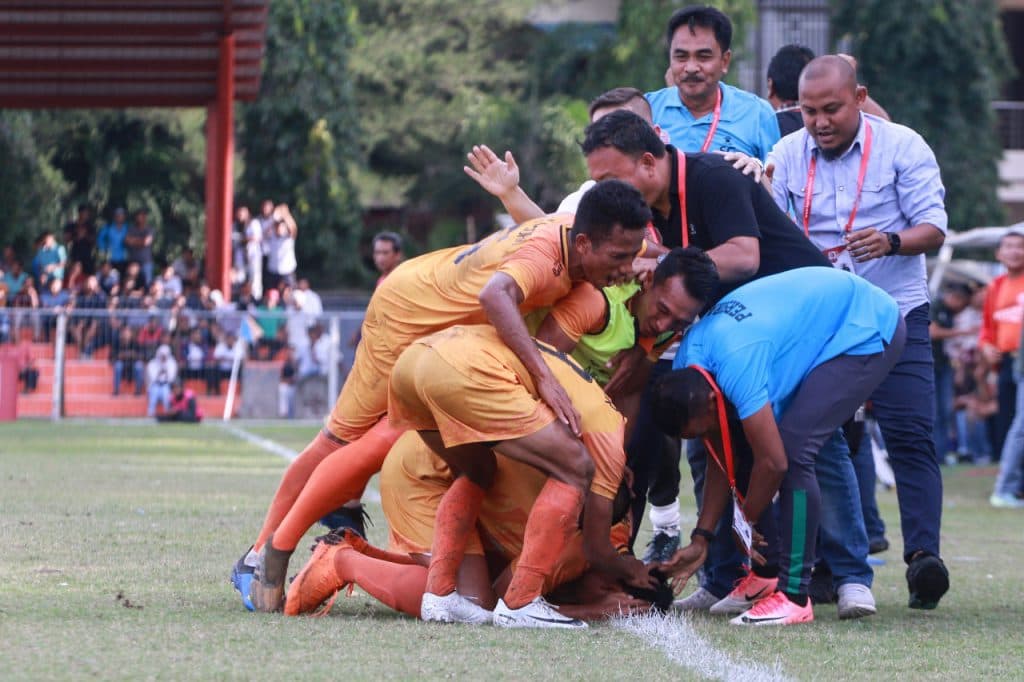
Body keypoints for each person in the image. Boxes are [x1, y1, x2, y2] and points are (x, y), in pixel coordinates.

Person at [239, 180, 653, 612]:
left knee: (467, 473)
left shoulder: (586, 245)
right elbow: (497, 295)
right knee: (352, 440)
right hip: (411, 319)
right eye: (621, 258)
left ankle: (377, 562)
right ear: (585, 239)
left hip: (450, 346)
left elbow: (650, 252)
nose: (628, 268)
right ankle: (268, 551)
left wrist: (655, 267)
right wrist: (544, 378)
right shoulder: (558, 265)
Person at [581, 109, 835, 576]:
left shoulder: (714, 176)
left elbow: (743, 257)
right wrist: (643, 347)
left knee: (806, 450)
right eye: (598, 184)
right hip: (747, 335)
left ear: (648, 163)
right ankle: (735, 576)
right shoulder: (651, 210)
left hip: (811, 326)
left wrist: (665, 263)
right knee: (715, 443)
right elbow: (683, 288)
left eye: (611, 179)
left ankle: (844, 577)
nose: (606, 194)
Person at [767, 55, 950, 609]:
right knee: (823, 440)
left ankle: (923, 557)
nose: (819, 122)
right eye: (809, 111)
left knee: (910, 432)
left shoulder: (903, 146)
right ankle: (828, 566)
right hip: (821, 320)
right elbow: (770, 228)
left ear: (861, 97)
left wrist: (891, 241)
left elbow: (934, 229)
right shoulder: (785, 154)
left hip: (895, 312)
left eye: (832, 109)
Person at [652, 267, 905, 626]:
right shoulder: (687, 367)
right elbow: (719, 457)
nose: (704, 435)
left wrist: (744, 522)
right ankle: (766, 575)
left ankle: (794, 596)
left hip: (865, 323)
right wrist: (702, 538)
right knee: (745, 445)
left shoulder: (737, 366)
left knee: (795, 449)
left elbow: (774, 463)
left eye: (702, 428)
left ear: (709, 400)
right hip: (819, 323)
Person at [384, 324, 657, 627]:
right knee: (575, 468)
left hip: (416, 359)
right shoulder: (607, 446)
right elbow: (595, 547)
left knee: (478, 471)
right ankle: (522, 602)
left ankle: (440, 592)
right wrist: (630, 572)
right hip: (452, 391)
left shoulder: (595, 432)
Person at [284, 432, 655, 623]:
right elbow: (504, 607)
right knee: (470, 605)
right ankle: (342, 562)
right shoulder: (583, 548)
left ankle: (363, 553)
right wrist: (591, 611)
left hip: (445, 456)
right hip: (431, 474)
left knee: (479, 575)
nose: (607, 594)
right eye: (615, 592)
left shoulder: (609, 508)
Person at [646, 5, 779, 161]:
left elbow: (773, 175)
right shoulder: (648, 109)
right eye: (681, 56)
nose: (691, 68)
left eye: (703, 56)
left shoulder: (758, 114)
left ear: (725, 61)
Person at [979, 231, 1024, 463]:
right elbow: (987, 327)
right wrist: (986, 346)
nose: (1014, 251)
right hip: (1006, 361)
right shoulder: (995, 286)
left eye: (1020, 246)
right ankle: (1009, 472)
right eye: (1009, 246)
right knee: (1007, 416)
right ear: (999, 253)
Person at [930, 282, 974, 463]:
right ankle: (934, 453)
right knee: (934, 411)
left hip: (944, 364)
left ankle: (941, 453)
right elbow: (932, 332)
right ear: (957, 298)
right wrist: (962, 332)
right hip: (931, 364)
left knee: (946, 410)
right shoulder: (935, 305)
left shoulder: (949, 312)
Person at [264, 204, 298, 291]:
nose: (279, 228)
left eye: (281, 226)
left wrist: (286, 214)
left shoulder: (288, 238)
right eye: (277, 226)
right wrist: (274, 218)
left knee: (289, 294)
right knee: (272, 294)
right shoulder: (271, 237)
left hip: (287, 271)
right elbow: (265, 231)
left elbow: (293, 228)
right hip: (273, 271)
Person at [125, 209, 155, 288]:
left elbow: (147, 242)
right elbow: (127, 241)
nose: (140, 218)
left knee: (147, 282)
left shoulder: (149, 229)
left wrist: (134, 241)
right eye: (139, 216)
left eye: (142, 216)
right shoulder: (131, 229)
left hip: (146, 261)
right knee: (130, 282)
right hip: (133, 260)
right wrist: (141, 241)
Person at [146, 344, 177, 417]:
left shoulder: (172, 363)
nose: (163, 357)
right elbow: (152, 378)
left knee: (166, 396)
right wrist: (159, 372)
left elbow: (171, 378)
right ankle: (150, 413)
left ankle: (167, 414)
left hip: (166, 385)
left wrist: (166, 372)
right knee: (153, 396)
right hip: (154, 385)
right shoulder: (152, 363)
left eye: (165, 355)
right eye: (162, 355)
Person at [98, 208, 130, 274]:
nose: (120, 217)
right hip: (110, 258)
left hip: (124, 258)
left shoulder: (128, 228)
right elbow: (99, 239)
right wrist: (104, 247)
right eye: (118, 215)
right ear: (114, 217)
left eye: (122, 216)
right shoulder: (108, 227)